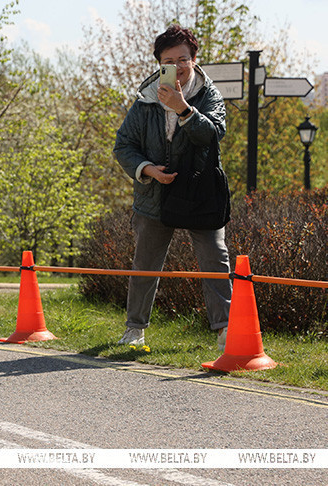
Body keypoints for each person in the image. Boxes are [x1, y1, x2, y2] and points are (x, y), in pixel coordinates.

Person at [113, 25, 232, 350]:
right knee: (145, 263)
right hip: (154, 193)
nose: (178, 66)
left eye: (183, 58)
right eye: (169, 60)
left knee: (215, 260)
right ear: (159, 64)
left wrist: (183, 108)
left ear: (195, 59)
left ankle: (226, 331)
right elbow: (123, 145)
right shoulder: (146, 99)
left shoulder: (209, 95)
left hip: (200, 191)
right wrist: (147, 169)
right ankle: (134, 330)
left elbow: (211, 135)